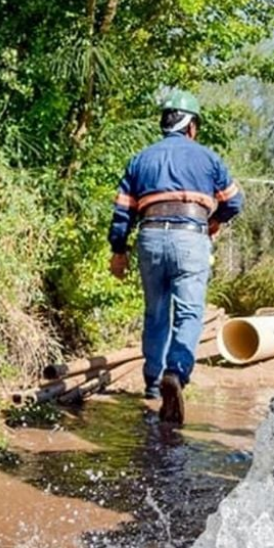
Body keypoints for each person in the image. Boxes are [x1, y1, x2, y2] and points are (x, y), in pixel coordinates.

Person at [108, 90, 244, 424]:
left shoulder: (141, 159)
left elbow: (122, 211)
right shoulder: (208, 159)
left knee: (156, 312)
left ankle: (153, 384)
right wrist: (214, 221)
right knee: (189, 311)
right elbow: (235, 202)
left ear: (164, 122)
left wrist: (118, 250)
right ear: (192, 126)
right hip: (190, 238)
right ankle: (177, 373)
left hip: (151, 235)